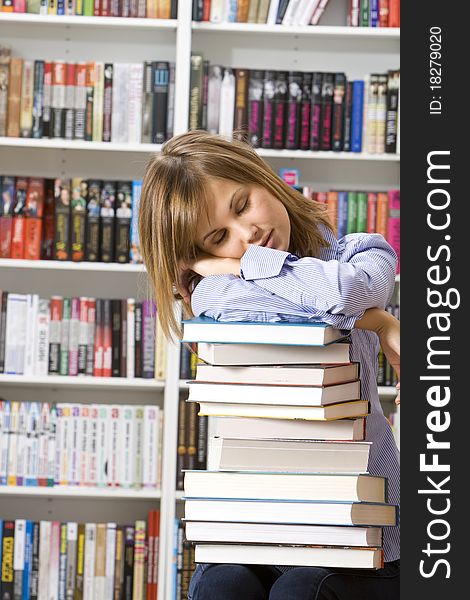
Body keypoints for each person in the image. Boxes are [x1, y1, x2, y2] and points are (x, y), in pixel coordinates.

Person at [138, 131, 400, 600]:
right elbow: (330, 300)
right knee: (222, 584)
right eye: (219, 238)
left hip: (364, 528)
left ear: (264, 178)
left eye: (242, 205)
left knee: (304, 590)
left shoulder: (362, 252)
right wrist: (379, 321)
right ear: (197, 258)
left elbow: (347, 290)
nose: (247, 235)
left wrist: (239, 264)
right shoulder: (213, 290)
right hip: (258, 522)